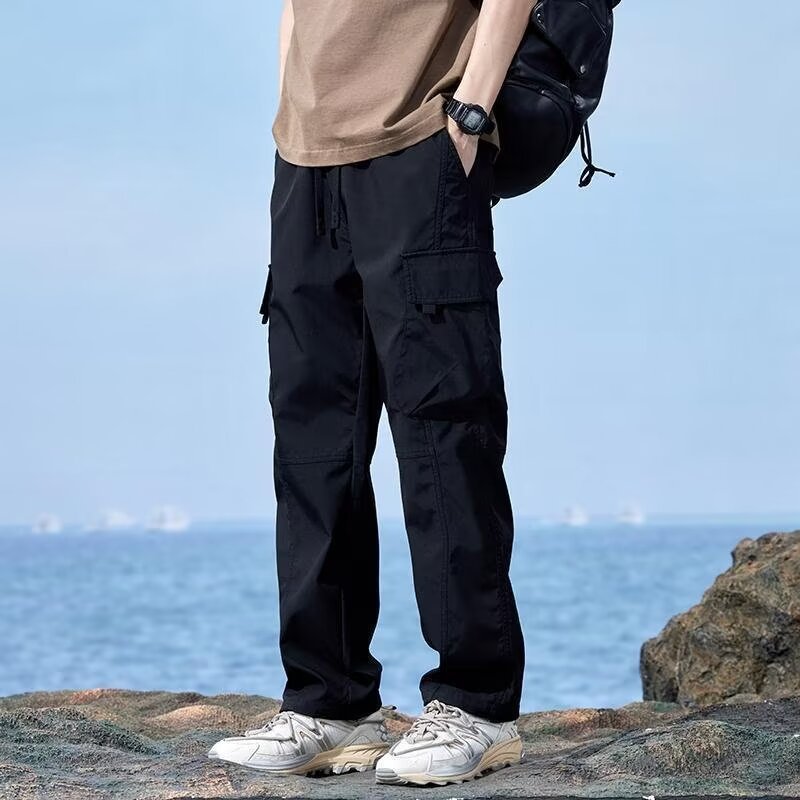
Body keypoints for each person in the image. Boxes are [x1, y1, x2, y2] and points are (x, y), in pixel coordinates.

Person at [208, 0, 533, 786]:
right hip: (305, 160)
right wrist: (293, 112)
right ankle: (329, 702)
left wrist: (471, 111)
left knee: (443, 431)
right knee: (312, 441)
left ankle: (476, 704)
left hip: (421, 143)